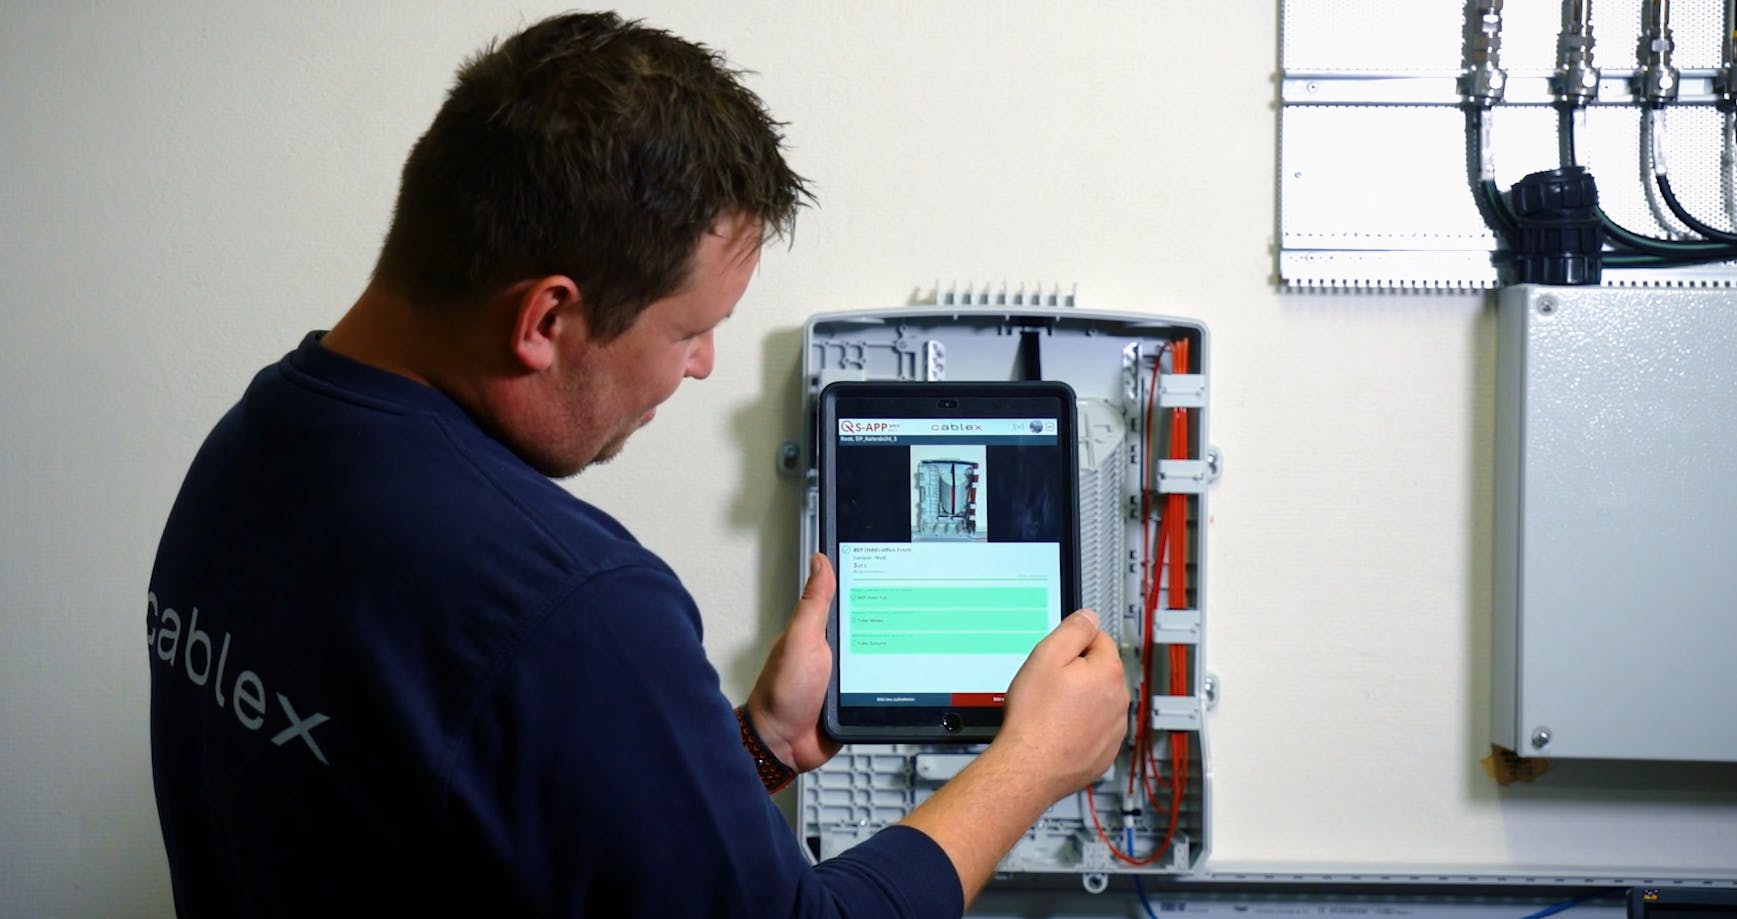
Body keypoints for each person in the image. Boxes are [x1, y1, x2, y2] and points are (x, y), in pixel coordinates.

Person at [146, 10, 1127, 917]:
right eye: (689, 331)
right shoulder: (563, 601)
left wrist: (762, 747)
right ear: (546, 319)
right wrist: (1033, 760)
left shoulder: (252, 449)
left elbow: (499, 827)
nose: (701, 366)